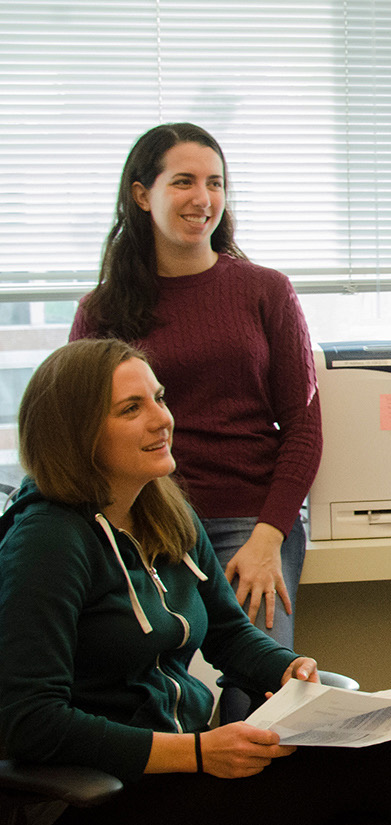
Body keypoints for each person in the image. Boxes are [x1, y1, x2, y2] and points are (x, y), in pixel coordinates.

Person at [0, 339, 391, 825]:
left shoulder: (164, 511)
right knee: (367, 773)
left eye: (160, 398)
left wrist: (286, 667)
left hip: (177, 772)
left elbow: (229, 634)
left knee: (373, 752)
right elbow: (30, 721)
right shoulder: (48, 540)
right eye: (132, 408)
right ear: (75, 434)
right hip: (99, 792)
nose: (161, 419)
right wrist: (196, 752)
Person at [70, 123, 321, 720]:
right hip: (142, 523)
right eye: (183, 181)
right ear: (141, 193)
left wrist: (271, 536)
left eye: (215, 183)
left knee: (257, 696)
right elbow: (76, 432)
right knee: (144, 691)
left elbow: (304, 428)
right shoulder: (101, 310)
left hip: (248, 524)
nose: (202, 198)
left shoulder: (265, 290)